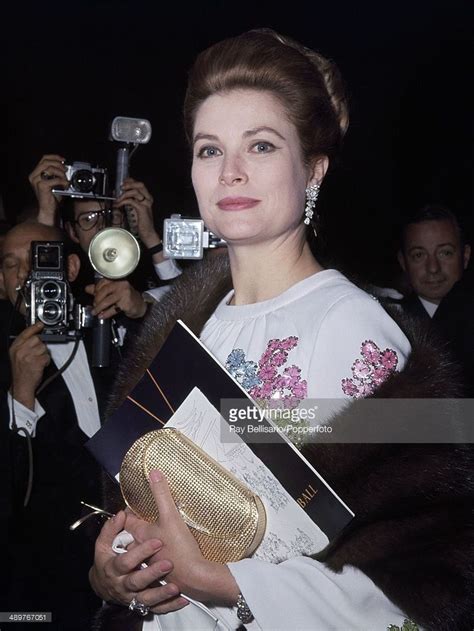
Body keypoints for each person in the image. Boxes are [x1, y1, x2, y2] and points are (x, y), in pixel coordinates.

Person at [89, 30, 473, 631]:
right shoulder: (188, 326)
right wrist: (117, 577)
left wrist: (221, 583)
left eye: (261, 146)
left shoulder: (357, 331)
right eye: (209, 150)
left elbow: (422, 589)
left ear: (313, 169)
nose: (231, 172)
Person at [0, 220, 111, 630]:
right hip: (41, 587)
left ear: (70, 269)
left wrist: (143, 310)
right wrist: (20, 396)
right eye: (12, 265)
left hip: (131, 560)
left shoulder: (109, 324)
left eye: (38, 261)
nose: (25, 274)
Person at [29, 154, 181, 318]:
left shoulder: (145, 275)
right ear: (73, 232)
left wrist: (150, 235)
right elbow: (39, 307)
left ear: (127, 223)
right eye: (88, 219)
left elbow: (187, 302)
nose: (102, 225)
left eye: (112, 215)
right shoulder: (70, 279)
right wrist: (46, 214)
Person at [397, 204, 471, 321]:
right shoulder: (389, 324)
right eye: (419, 255)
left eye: (445, 253)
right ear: (403, 262)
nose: (433, 268)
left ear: (465, 256)